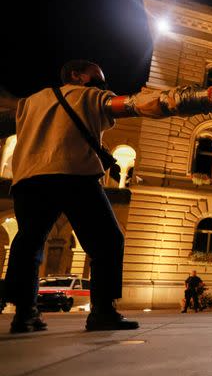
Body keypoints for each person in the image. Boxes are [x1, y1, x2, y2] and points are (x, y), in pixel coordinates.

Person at [6, 60, 137, 333]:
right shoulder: (91, 96)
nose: (102, 84)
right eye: (97, 78)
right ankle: (102, 311)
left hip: (29, 178)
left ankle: (25, 313)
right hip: (73, 174)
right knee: (108, 241)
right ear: (76, 75)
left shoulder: (30, 101)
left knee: (29, 243)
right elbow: (128, 105)